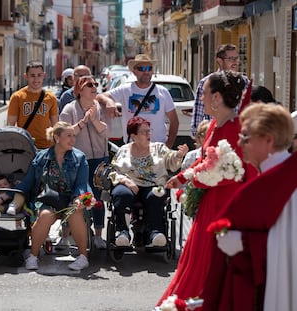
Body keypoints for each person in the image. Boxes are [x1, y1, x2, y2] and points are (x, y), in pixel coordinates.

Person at [156, 71, 253, 305]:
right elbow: (204, 160)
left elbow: (233, 170)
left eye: (204, 93)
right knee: (198, 259)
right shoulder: (212, 127)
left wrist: (196, 178)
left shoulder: (234, 128)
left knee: (211, 261)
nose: (201, 99)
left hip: (226, 204)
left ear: (217, 98)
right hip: (210, 202)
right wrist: (182, 177)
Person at [201, 104, 297, 311]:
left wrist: (244, 242)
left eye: (245, 137)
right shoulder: (271, 179)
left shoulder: (288, 181)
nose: (238, 142)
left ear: (269, 140)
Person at [17, 121, 92, 271]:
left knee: (75, 213)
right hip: (49, 199)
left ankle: (83, 257)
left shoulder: (79, 157)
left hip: (71, 200)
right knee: (44, 215)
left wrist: (79, 198)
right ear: (57, 137)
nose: (72, 139)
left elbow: (82, 184)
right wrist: (8, 194)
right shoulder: (42, 157)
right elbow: (28, 182)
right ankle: (33, 256)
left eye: (73, 136)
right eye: (68, 136)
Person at [109, 116, 188, 247]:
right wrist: (125, 181)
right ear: (133, 135)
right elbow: (113, 172)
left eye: (149, 131)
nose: (148, 134)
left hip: (154, 185)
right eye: (144, 131)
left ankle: (156, 233)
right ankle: (122, 232)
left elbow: (172, 164)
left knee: (156, 195)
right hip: (130, 185)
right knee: (121, 194)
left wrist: (179, 155)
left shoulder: (159, 148)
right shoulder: (124, 150)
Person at [60, 75, 109, 249]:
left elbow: (104, 131)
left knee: (97, 198)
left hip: (99, 159)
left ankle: (97, 235)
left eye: (96, 84)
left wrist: (94, 119)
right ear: (80, 89)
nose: (95, 87)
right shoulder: (69, 109)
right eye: (90, 85)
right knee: (73, 196)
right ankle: (65, 235)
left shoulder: (97, 108)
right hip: (77, 161)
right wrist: (83, 121)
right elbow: (64, 134)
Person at [97, 54, 179, 148]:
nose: (146, 72)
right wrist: (109, 101)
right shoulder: (125, 90)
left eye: (149, 68)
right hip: (132, 148)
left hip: (157, 148)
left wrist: (169, 145)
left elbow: (174, 121)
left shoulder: (163, 92)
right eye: (142, 69)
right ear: (134, 71)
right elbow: (100, 96)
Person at [191, 44, 249, 136]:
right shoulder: (206, 82)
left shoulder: (244, 82)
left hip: (237, 135)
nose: (235, 62)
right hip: (212, 135)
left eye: (236, 58)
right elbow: (197, 121)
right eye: (230, 59)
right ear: (219, 61)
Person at [7, 60, 58, 149]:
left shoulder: (51, 97)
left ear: (44, 76)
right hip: (24, 145)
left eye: (39, 75)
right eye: (32, 75)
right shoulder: (17, 97)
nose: (36, 79)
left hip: (46, 146)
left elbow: (55, 124)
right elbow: (11, 125)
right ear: (26, 76)